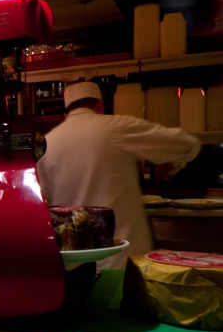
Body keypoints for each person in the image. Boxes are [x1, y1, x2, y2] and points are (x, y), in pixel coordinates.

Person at [36, 81, 201, 270]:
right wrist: (171, 164)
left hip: (73, 266)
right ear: (100, 106)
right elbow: (187, 144)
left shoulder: (47, 143)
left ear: (66, 114)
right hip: (122, 261)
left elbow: (45, 203)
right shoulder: (115, 127)